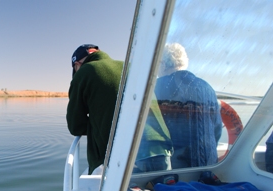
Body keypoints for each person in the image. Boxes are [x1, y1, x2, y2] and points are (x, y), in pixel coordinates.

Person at [66, 44, 173, 175]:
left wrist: (96, 121)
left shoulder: (84, 72)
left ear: (77, 64)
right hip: (159, 146)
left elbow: (75, 126)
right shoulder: (130, 66)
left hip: (123, 154)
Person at [155, 43, 222, 169]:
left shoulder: (158, 87)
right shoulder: (207, 88)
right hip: (209, 166)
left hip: (176, 170)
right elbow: (217, 130)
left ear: (163, 64)